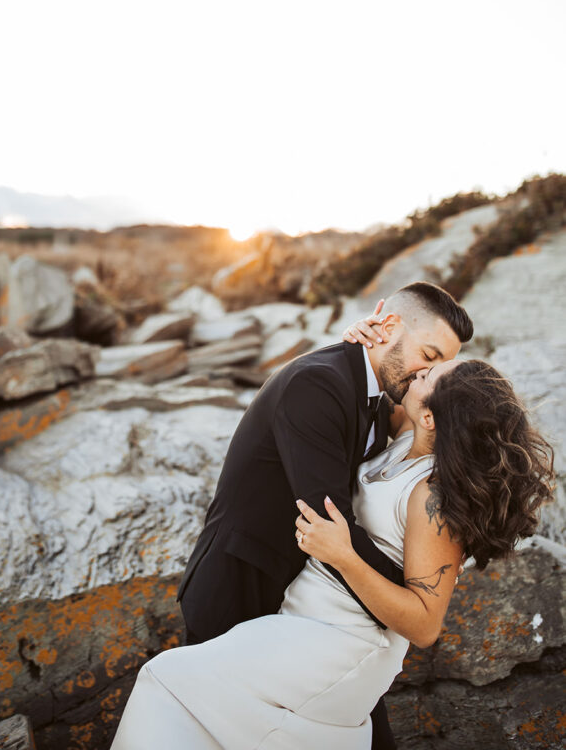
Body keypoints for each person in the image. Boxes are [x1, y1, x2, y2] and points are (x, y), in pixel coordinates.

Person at [111, 357, 554, 749]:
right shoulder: (405, 439)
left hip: (345, 642)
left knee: (167, 682)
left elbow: (424, 625)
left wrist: (342, 555)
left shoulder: (432, 497)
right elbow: (361, 382)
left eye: (427, 376)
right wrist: (356, 343)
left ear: (431, 417)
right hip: (304, 620)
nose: (416, 373)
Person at [176, 282, 473, 749]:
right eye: (429, 355)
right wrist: (413, 599)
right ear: (389, 326)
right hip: (241, 586)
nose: (429, 375)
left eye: (440, 366)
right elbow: (326, 519)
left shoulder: (382, 386)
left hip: (317, 606)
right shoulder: (318, 383)